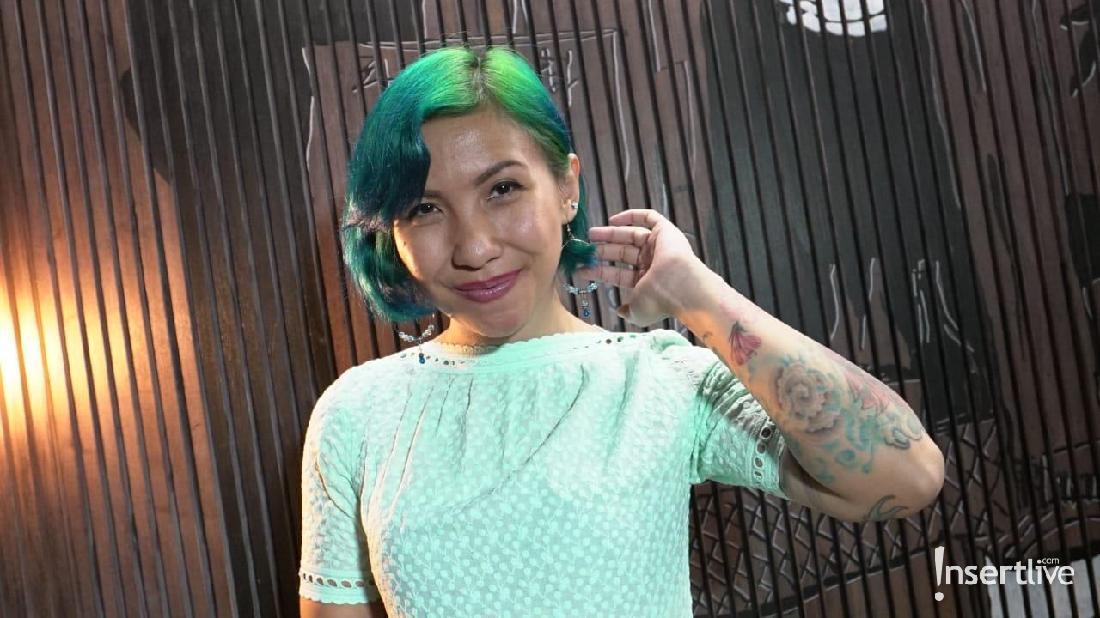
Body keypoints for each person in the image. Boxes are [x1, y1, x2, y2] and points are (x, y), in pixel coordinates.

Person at [299, 45, 944, 618]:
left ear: (566, 187)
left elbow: (908, 474)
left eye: (502, 189)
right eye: (424, 208)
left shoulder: (658, 378)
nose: (474, 247)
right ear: (392, 231)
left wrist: (697, 294)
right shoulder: (357, 413)